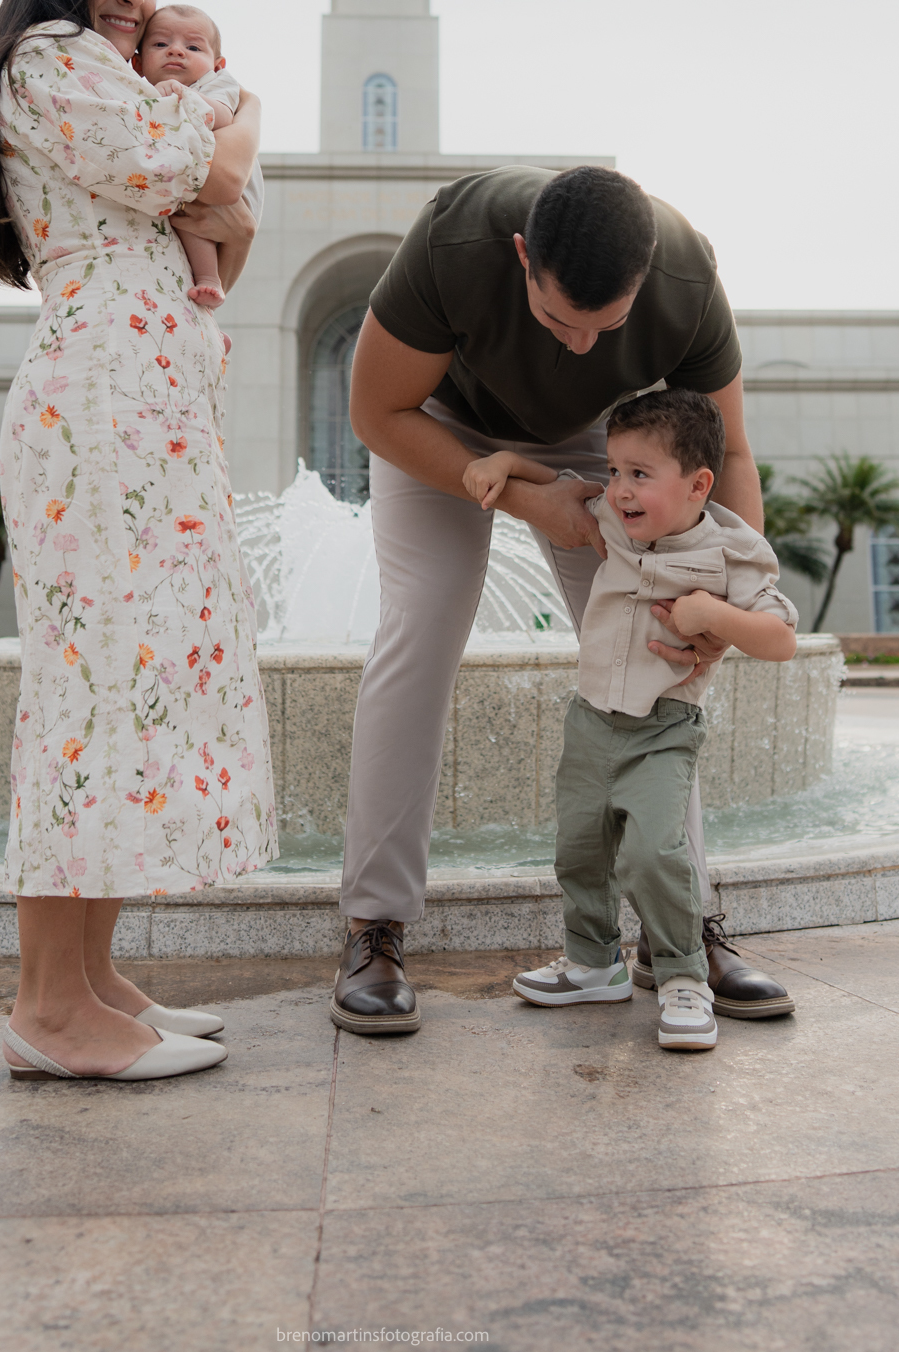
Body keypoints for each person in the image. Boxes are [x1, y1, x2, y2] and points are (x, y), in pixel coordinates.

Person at [331, 163, 796, 1035]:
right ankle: (375, 927)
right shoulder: (455, 240)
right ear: (520, 258)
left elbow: (728, 456)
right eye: (555, 320)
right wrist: (521, 497)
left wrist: (732, 602)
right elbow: (374, 409)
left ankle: (682, 931)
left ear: (645, 283)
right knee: (424, 625)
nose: (578, 346)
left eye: (604, 327)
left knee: (659, 648)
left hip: (599, 445)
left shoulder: (687, 277)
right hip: (434, 422)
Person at [0, 0, 275, 1082]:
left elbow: (231, 216)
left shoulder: (110, 73)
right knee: (88, 693)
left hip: (151, 407)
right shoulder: (50, 62)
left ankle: (89, 980)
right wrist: (230, 115)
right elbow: (193, 171)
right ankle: (47, 1007)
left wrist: (215, 164)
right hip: (98, 403)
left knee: (127, 683)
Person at [487, 390, 797, 1051]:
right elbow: (562, 486)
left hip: (663, 727)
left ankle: (685, 976)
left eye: (638, 474)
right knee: (580, 848)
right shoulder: (614, 514)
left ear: (698, 484)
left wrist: (710, 617)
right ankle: (595, 962)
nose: (618, 490)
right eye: (616, 468)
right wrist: (509, 461)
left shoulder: (731, 549)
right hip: (590, 718)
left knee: (656, 852)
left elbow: (780, 638)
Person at [137, 4, 262, 309]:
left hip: (235, 196)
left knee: (193, 222)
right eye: (160, 44)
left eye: (192, 46)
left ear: (217, 64)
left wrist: (183, 95)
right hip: (196, 189)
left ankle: (210, 279)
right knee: (185, 222)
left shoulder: (218, 84)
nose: (176, 51)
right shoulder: (139, 92)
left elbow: (220, 115)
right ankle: (207, 312)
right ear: (138, 63)